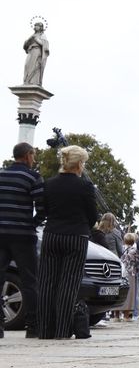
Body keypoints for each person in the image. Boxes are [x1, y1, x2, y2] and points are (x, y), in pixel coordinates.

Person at [35, 146, 97, 339]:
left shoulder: (49, 184)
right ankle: (62, 330)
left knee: (47, 283)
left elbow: (42, 210)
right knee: (68, 284)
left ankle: (45, 330)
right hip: (76, 236)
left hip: (52, 234)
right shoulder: (85, 186)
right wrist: (83, 226)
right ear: (79, 164)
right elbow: (92, 215)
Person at [0, 142, 45, 339]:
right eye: (33, 155)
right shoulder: (33, 177)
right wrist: (32, 223)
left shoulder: (1, 175)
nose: (33, 158)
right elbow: (43, 207)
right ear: (27, 155)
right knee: (29, 281)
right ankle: (33, 325)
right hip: (24, 235)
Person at [117, 233, 139, 321]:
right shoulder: (135, 250)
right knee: (129, 294)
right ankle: (126, 316)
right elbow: (137, 262)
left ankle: (116, 315)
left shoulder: (121, 248)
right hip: (130, 273)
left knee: (119, 292)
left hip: (120, 272)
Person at [22, 21, 50, 86]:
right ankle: (26, 81)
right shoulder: (32, 35)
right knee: (27, 65)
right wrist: (28, 41)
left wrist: (36, 39)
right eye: (35, 26)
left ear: (40, 27)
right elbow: (25, 45)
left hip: (37, 50)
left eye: (37, 26)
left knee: (34, 65)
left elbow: (44, 45)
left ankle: (33, 81)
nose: (35, 27)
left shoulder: (42, 35)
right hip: (30, 51)